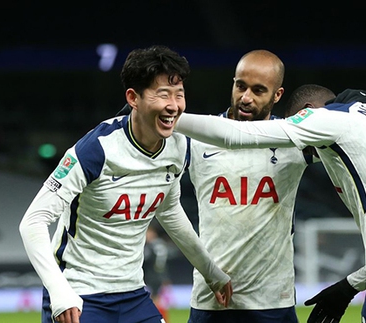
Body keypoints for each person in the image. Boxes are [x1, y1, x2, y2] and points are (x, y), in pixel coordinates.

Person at [174, 84, 366, 323]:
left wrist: (167, 115)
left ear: (307, 112)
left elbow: (238, 134)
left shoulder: (325, 118)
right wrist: (349, 286)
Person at [19, 45, 232, 323]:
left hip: (133, 294)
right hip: (79, 295)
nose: (174, 105)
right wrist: (59, 290)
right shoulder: (95, 149)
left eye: (179, 95)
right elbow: (33, 221)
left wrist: (211, 271)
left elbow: (169, 211)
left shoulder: (179, 146)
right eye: (162, 94)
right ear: (133, 97)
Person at [117, 49, 318, 323]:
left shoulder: (294, 141)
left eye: (258, 90)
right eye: (240, 86)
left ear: (277, 95)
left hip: (273, 300)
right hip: (211, 300)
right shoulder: (198, 138)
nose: (246, 98)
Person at [144, 224, 172, 322]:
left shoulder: (151, 246)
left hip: (153, 276)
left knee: (154, 301)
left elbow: (150, 260)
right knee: (156, 300)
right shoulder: (160, 244)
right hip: (158, 275)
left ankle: (160, 320)